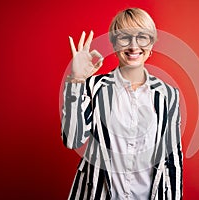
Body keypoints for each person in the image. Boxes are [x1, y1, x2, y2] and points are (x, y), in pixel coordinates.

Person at [61, 8, 183, 200]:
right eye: (124, 37)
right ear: (114, 44)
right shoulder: (94, 87)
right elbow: (72, 140)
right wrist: (76, 80)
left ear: (151, 44)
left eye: (142, 37)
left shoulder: (168, 94)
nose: (134, 46)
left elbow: (173, 159)